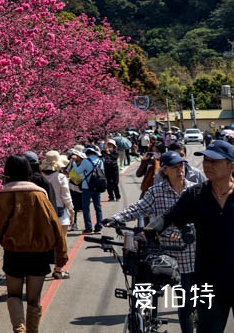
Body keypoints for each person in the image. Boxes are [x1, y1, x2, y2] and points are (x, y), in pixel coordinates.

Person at [105, 151, 196, 333]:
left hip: (188, 251)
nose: (180, 170)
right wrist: (115, 218)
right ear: (165, 170)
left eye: (182, 166)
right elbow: (138, 208)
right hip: (162, 250)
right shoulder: (156, 191)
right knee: (145, 291)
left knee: (185, 304)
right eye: (175, 167)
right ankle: (146, 319)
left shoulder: (194, 190)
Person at [150, 140, 234, 332]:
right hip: (209, 282)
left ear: (232, 166)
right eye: (205, 160)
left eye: (214, 161)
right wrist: (148, 232)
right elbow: (168, 217)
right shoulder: (196, 194)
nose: (207, 165)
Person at [0, 154, 68, 333]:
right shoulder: (39, 194)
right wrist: (61, 256)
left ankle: (19, 328)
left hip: (13, 253)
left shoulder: (2, 195)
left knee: (14, 295)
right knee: (34, 300)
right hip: (38, 255)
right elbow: (55, 224)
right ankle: (32, 330)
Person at [41, 150, 73, 279]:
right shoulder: (60, 177)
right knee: (61, 241)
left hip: (43, 212)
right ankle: (58, 269)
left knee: (44, 241)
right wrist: (71, 210)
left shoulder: (40, 177)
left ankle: (42, 268)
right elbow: (66, 197)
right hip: (60, 212)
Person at [75, 145, 105, 233]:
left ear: (87, 153)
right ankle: (99, 226)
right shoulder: (100, 161)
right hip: (97, 186)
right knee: (98, 207)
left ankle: (88, 228)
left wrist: (75, 163)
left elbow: (77, 171)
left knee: (86, 207)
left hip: (86, 187)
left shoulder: (85, 161)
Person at [65, 147, 84, 231]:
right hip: (81, 185)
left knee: (74, 205)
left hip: (73, 186)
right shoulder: (84, 162)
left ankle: (74, 224)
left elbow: (67, 171)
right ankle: (86, 225)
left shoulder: (72, 162)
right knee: (79, 205)